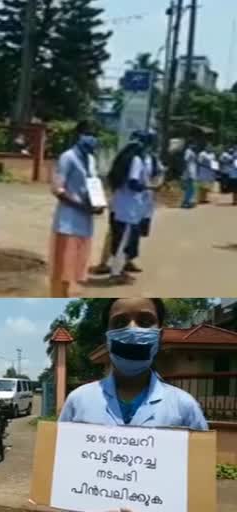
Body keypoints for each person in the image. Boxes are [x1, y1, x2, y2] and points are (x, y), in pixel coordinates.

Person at [60, 297, 208, 429]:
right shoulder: (78, 400)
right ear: (107, 338)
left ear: (160, 335)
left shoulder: (185, 406)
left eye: (145, 322)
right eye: (120, 322)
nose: (132, 330)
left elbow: (198, 457)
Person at [49, 121, 105, 297]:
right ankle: (57, 299)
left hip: (84, 222)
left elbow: (93, 185)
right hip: (68, 221)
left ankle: (67, 299)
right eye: (88, 134)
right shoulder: (68, 157)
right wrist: (82, 206)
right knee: (62, 268)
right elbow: (58, 189)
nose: (92, 138)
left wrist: (98, 203)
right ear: (78, 135)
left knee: (76, 266)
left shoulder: (90, 160)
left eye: (95, 135)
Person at [105, 133, 153, 285]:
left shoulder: (125, 159)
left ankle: (120, 271)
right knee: (124, 242)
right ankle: (115, 273)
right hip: (129, 208)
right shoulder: (137, 160)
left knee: (120, 240)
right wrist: (148, 186)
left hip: (121, 206)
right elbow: (133, 183)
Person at [181, 141, 199, 208]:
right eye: (193, 144)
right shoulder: (188, 151)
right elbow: (186, 161)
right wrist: (188, 172)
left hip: (192, 172)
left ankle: (188, 202)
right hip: (189, 172)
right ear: (189, 144)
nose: (194, 145)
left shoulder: (192, 151)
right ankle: (186, 202)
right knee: (190, 188)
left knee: (191, 188)